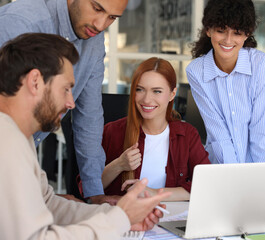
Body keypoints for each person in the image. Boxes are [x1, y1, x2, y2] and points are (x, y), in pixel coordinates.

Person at [0, 32, 171, 239]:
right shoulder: (6, 139)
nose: (71, 103)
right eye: (66, 89)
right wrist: (119, 221)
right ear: (35, 81)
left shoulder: (18, 134)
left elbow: (47, 202)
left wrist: (117, 214)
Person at [0, 0, 129, 204]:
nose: (101, 24)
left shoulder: (94, 41)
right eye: (97, 8)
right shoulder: (20, 22)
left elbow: (89, 116)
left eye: (112, 18)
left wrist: (94, 194)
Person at [98, 57, 210, 201]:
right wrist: (118, 165)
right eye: (140, 90)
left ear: (172, 94)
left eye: (156, 91)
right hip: (124, 219)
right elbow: (86, 188)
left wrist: (153, 193)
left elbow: (205, 185)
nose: (146, 100)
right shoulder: (112, 131)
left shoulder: (187, 135)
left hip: (168, 219)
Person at [186, 0, 265, 164]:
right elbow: (218, 132)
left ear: (247, 33)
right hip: (222, 165)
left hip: (260, 166)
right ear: (208, 30)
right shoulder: (196, 71)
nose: (228, 40)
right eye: (221, 31)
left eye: (237, 33)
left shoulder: (260, 64)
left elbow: (261, 130)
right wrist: (234, 176)